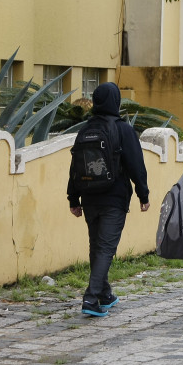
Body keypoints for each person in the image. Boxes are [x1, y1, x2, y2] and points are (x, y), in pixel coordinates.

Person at [67, 82, 150, 317]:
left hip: (89, 197)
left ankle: (104, 294)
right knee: (105, 248)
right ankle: (91, 299)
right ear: (116, 101)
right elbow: (136, 164)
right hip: (114, 198)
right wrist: (143, 194)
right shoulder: (123, 129)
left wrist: (73, 198)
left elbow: (74, 166)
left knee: (97, 247)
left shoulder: (86, 128)